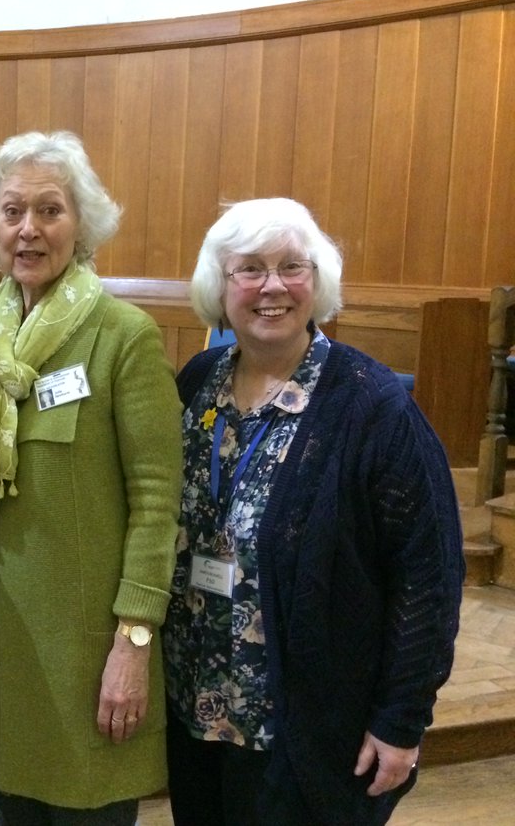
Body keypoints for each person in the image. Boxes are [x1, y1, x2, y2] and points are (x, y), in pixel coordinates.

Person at [162, 197, 464, 825]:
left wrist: (401, 720)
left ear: (317, 281)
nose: (272, 286)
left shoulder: (372, 408)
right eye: (249, 268)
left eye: (291, 267)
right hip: (197, 713)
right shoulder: (198, 382)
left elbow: (428, 577)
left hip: (307, 735)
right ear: (220, 288)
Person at [0, 130, 183, 825]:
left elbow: (156, 503)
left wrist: (134, 642)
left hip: (86, 652)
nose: (29, 229)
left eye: (50, 210)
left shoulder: (123, 336)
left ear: (82, 226)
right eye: (12, 210)